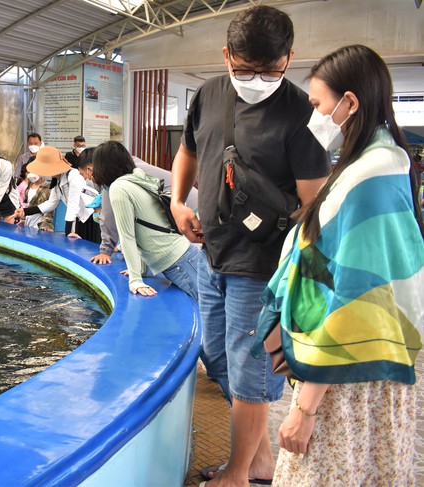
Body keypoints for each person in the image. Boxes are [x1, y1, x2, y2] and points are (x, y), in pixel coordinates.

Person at [169, 6, 330, 486]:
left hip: (261, 265)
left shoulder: (304, 114)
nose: (256, 79)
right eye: (244, 69)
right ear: (226, 55)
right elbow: (188, 151)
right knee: (218, 355)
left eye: (270, 70)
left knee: (249, 368)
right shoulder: (210, 93)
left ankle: (238, 474)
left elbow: (314, 206)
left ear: (289, 58)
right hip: (210, 251)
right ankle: (258, 460)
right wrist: (179, 203)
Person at [253, 44, 424, 486]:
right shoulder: (375, 163)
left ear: (349, 102)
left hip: (347, 374)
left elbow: (356, 297)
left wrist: (306, 408)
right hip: (352, 365)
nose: (314, 115)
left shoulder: (372, 175)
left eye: (318, 104)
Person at [93, 141, 200, 299]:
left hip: (178, 263)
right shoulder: (135, 179)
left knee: (216, 310)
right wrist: (141, 270)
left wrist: (135, 280)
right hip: (184, 257)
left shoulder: (118, 188)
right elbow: (141, 230)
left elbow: (128, 236)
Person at [90, 156, 196, 265]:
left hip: (186, 211)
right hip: (188, 206)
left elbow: (110, 217)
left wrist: (106, 251)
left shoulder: (117, 181)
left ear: (92, 169)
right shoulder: (133, 168)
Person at [12, 146, 85, 238]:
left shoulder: (73, 176)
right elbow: (51, 204)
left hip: (88, 217)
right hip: (78, 217)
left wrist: (68, 232)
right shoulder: (57, 180)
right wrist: (25, 211)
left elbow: (73, 205)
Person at [73, 148, 101, 243]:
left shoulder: (109, 183)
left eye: (82, 174)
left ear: (89, 169)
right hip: (86, 217)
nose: (84, 178)